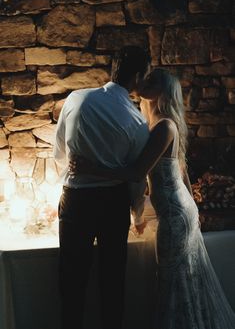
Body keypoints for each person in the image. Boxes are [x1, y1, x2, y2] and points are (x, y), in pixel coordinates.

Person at [70, 69, 235, 329]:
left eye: (153, 81)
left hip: (174, 213)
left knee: (173, 282)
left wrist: (91, 168)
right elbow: (183, 170)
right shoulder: (153, 123)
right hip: (177, 209)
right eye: (146, 78)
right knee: (176, 280)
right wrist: (190, 207)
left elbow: (137, 172)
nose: (145, 82)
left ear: (164, 91)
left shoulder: (164, 126)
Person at [53, 46, 150, 329]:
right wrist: (137, 211)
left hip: (76, 199)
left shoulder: (76, 98)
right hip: (113, 202)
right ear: (137, 77)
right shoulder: (137, 121)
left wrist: (72, 171)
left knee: (71, 280)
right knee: (112, 280)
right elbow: (135, 177)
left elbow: (59, 150)